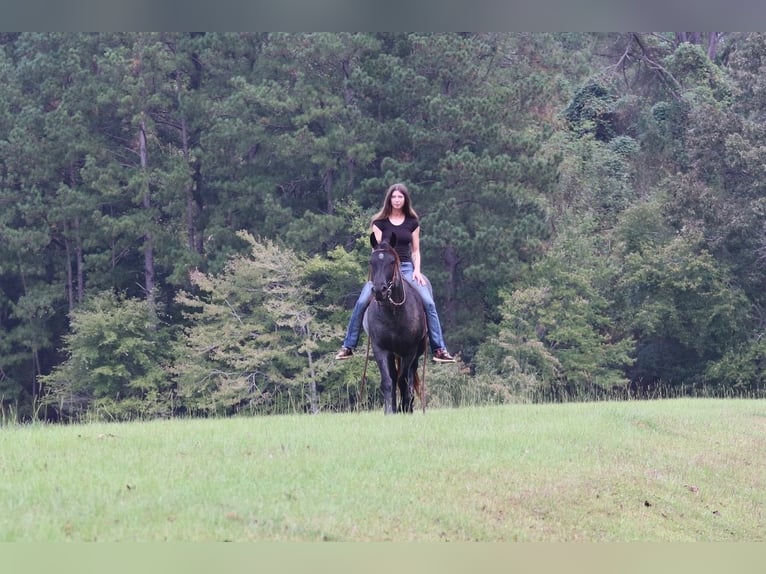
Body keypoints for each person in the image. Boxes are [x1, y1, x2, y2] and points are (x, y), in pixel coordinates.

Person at [335, 182, 456, 363]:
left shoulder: (412, 223)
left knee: (429, 303)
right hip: (384, 271)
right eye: (394, 196)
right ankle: (348, 345)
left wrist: (417, 270)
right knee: (361, 302)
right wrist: (378, 274)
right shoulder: (379, 223)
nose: (397, 200)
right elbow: (377, 251)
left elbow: (415, 250)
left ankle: (439, 349)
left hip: (406, 268)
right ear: (389, 199)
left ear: (405, 200)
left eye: (400, 197)